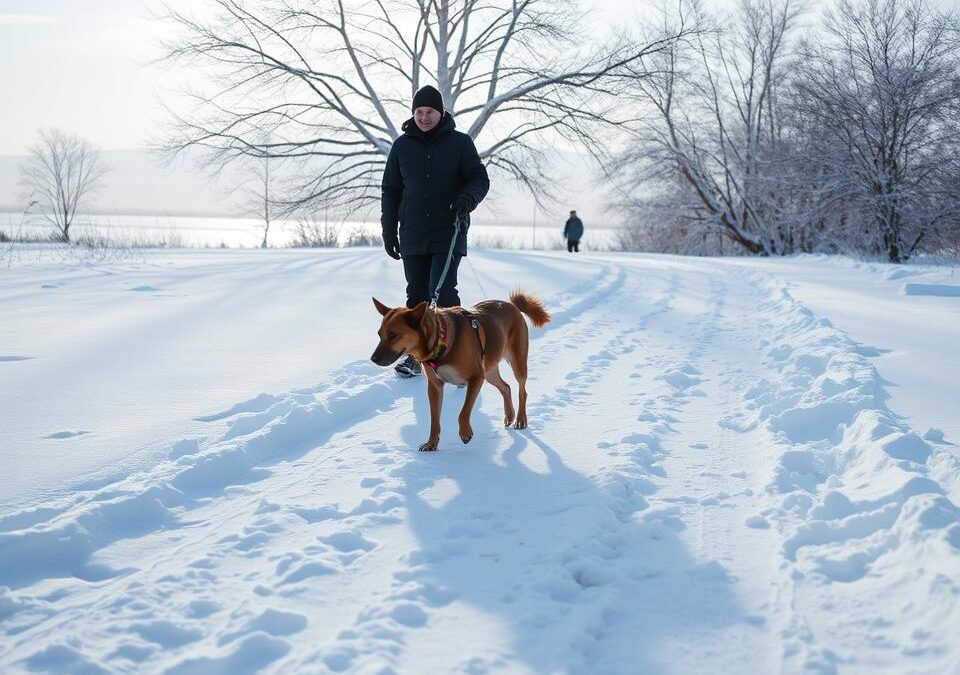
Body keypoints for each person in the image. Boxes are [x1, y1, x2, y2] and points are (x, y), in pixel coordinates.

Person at [381, 85, 490, 377]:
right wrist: (389, 230)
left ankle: (456, 352)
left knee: (442, 294)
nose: (424, 117)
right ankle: (417, 357)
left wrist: (468, 199)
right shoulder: (402, 147)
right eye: (418, 112)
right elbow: (391, 190)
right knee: (416, 298)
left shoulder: (460, 143)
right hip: (413, 233)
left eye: (429, 111)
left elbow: (479, 178)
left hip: (449, 230)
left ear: (440, 113)